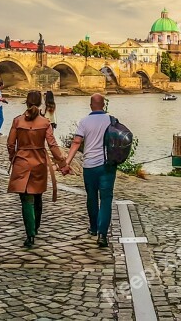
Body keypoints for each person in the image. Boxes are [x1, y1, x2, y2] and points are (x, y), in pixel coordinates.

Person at [6, 91, 66, 248]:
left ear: (25, 102)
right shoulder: (45, 122)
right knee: (37, 196)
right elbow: (52, 145)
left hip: (21, 162)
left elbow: (10, 144)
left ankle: (30, 235)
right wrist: (61, 162)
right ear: (40, 104)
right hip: (38, 161)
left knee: (26, 200)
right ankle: (36, 227)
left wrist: (13, 157)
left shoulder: (17, 121)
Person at [63, 93, 116, 248]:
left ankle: (93, 228)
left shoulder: (84, 122)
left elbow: (76, 142)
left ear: (91, 105)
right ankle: (102, 234)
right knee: (106, 199)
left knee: (92, 198)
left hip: (89, 166)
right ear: (104, 105)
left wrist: (67, 162)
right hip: (107, 166)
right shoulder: (111, 120)